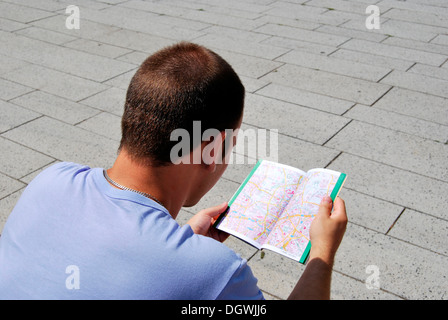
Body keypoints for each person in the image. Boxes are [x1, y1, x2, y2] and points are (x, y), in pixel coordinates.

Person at [0, 42, 347, 300]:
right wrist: (322, 254)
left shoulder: (51, 179)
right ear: (212, 149)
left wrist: (183, 248)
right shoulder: (217, 274)